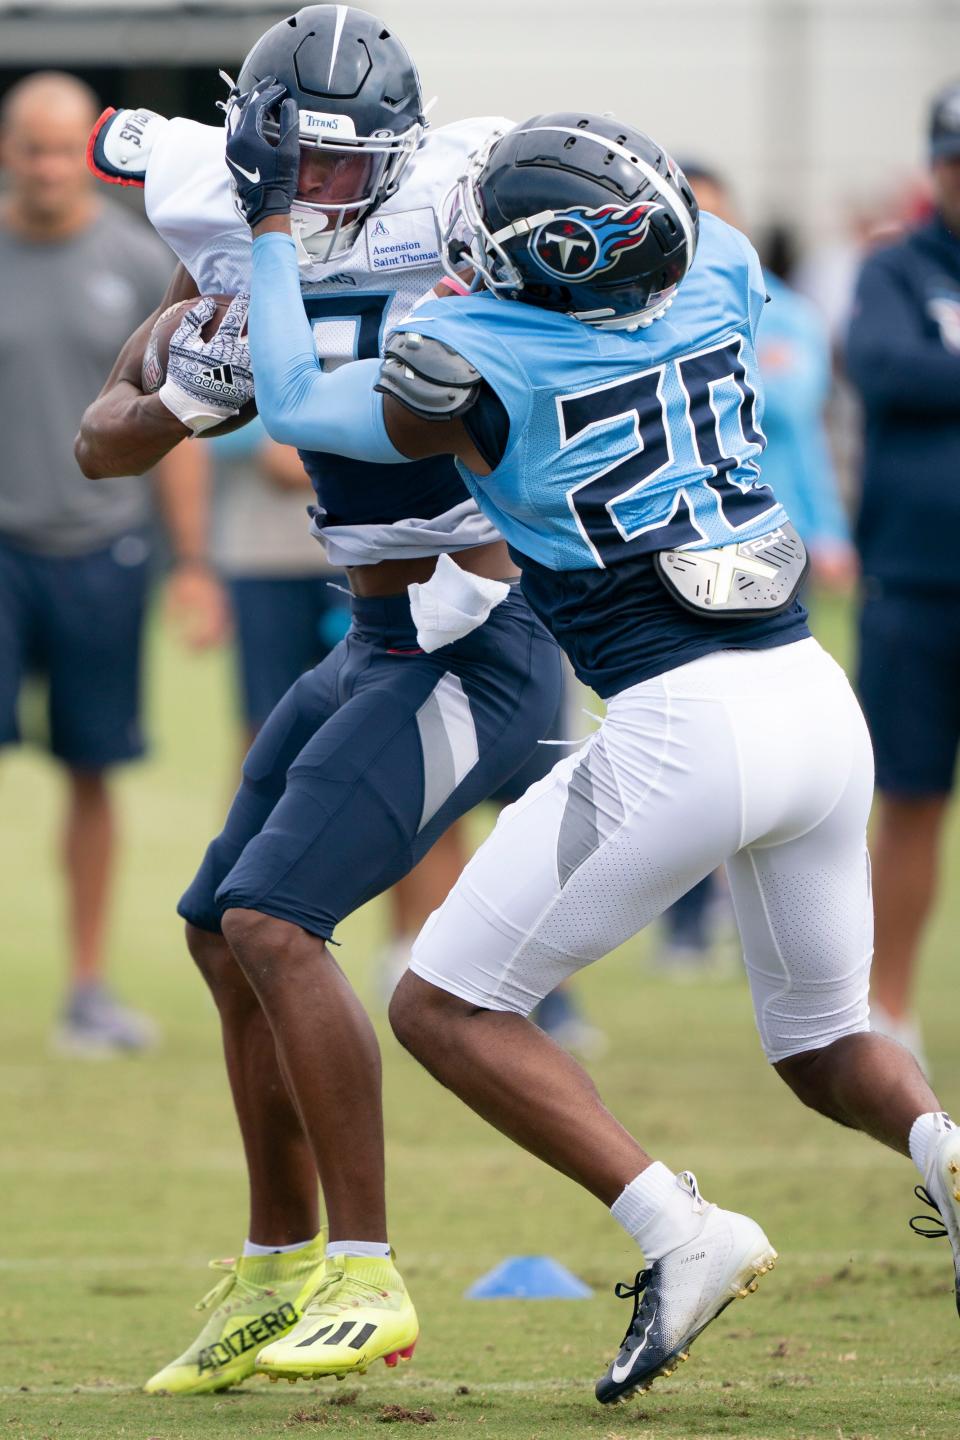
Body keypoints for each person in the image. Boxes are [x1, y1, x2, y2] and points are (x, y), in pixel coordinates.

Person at [227, 90, 960, 1407]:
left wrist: (271, 223)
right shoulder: (724, 266)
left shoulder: (473, 355)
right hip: (810, 697)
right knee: (823, 1046)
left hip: (682, 724)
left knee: (440, 1005)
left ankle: (680, 1230)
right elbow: (657, 219)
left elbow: (288, 401)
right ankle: (942, 1142)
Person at [76, 5, 562, 1394]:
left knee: (275, 921)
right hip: (370, 633)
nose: (324, 195)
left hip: (479, 628)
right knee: (219, 939)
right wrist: (174, 355)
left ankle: (368, 1269)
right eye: (302, 165)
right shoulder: (213, 215)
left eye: (356, 166)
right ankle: (280, 1266)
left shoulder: (471, 197)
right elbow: (102, 449)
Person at [0, 71, 225, 1055]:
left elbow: (175, 423)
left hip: (104, 549)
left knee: (93, 771)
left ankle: (87, 989)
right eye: (29, 148)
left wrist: (191, 563)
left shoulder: (141, 261)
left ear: (83, 158)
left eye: (62, 149)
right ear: (7, 151)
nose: (47, 167)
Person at [656, 163, 856, 976]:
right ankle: (682, 920)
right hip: (679, 540)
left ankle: (760, 909)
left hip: (778, 532)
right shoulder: (640, 304)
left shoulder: (788, 307)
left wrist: (834, 531)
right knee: (686, 725)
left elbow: (793, 408)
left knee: (769, 731)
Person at [846, 80, 960, 1069]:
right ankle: (888, 1009)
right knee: (911, 797)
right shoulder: (897, 270)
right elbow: (885, 367)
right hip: (916, 583)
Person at [207, 420, 350, 747]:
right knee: (266, 727)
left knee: (363, 717)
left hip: (353, 561)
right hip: (261, 562)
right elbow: (277, 463)